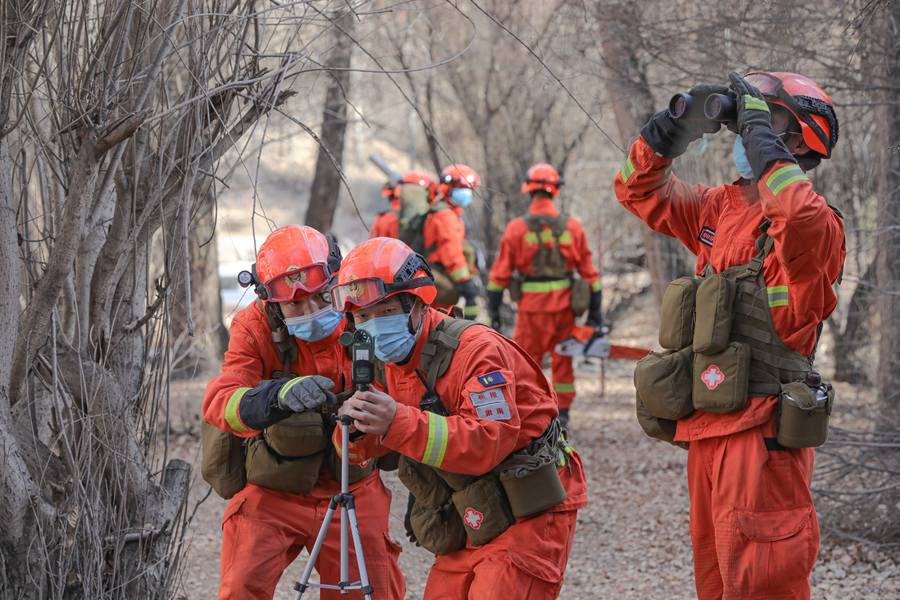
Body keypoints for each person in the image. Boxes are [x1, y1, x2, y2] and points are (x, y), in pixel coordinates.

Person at [615, 72, 845, 600]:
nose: (744, 131)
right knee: (716, 583)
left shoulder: (816, 225)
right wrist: (671, 129)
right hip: (708, 427)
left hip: (762, 435)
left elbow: (798, 213)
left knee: (762, 582)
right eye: (746, 119)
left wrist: (759, 135)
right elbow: (636, 189)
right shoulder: (719, 207)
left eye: (766, 119)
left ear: (797, 141)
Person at [329, 237, 587, 600]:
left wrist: (396, 421)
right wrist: (353, 432)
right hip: (467, 506)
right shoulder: (383, 364)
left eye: (384, 311)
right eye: (362, 316)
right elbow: (370, 450)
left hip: (527, 506)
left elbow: (488, 440)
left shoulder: (477, 351)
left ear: (417, 304)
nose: (372, 326)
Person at [203, 225, 405, 600]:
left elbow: (413, 381)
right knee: (242, 586)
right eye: (295, 304)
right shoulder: (255, 325)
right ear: (273, 303)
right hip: (274, 491)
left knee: (371, 591)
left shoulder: (366, 311)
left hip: (354, 486)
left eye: (320, 297)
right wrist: (275, 397)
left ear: (335, 282)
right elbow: (220, 401)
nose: (311, 311)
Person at [486, 163, 602, 427]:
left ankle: (532, 417)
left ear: (529, 190)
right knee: (563, 364)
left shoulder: (516, 229)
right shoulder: (573, 228)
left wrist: (493, 313)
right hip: (565, 312)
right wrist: (596, 315)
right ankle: (564, 417)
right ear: (555, 191)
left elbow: (498, 277)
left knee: (526, 364)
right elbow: (591, 276)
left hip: (531, 313)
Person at [434, 163, 483, 319]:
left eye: (469, 189)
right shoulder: (445, 216)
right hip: (439, 280)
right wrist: (466, 284)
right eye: (463, 188)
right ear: (448, 188)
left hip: (443, 279)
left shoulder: (451, 214)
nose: (467, 193)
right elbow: (451, 253)